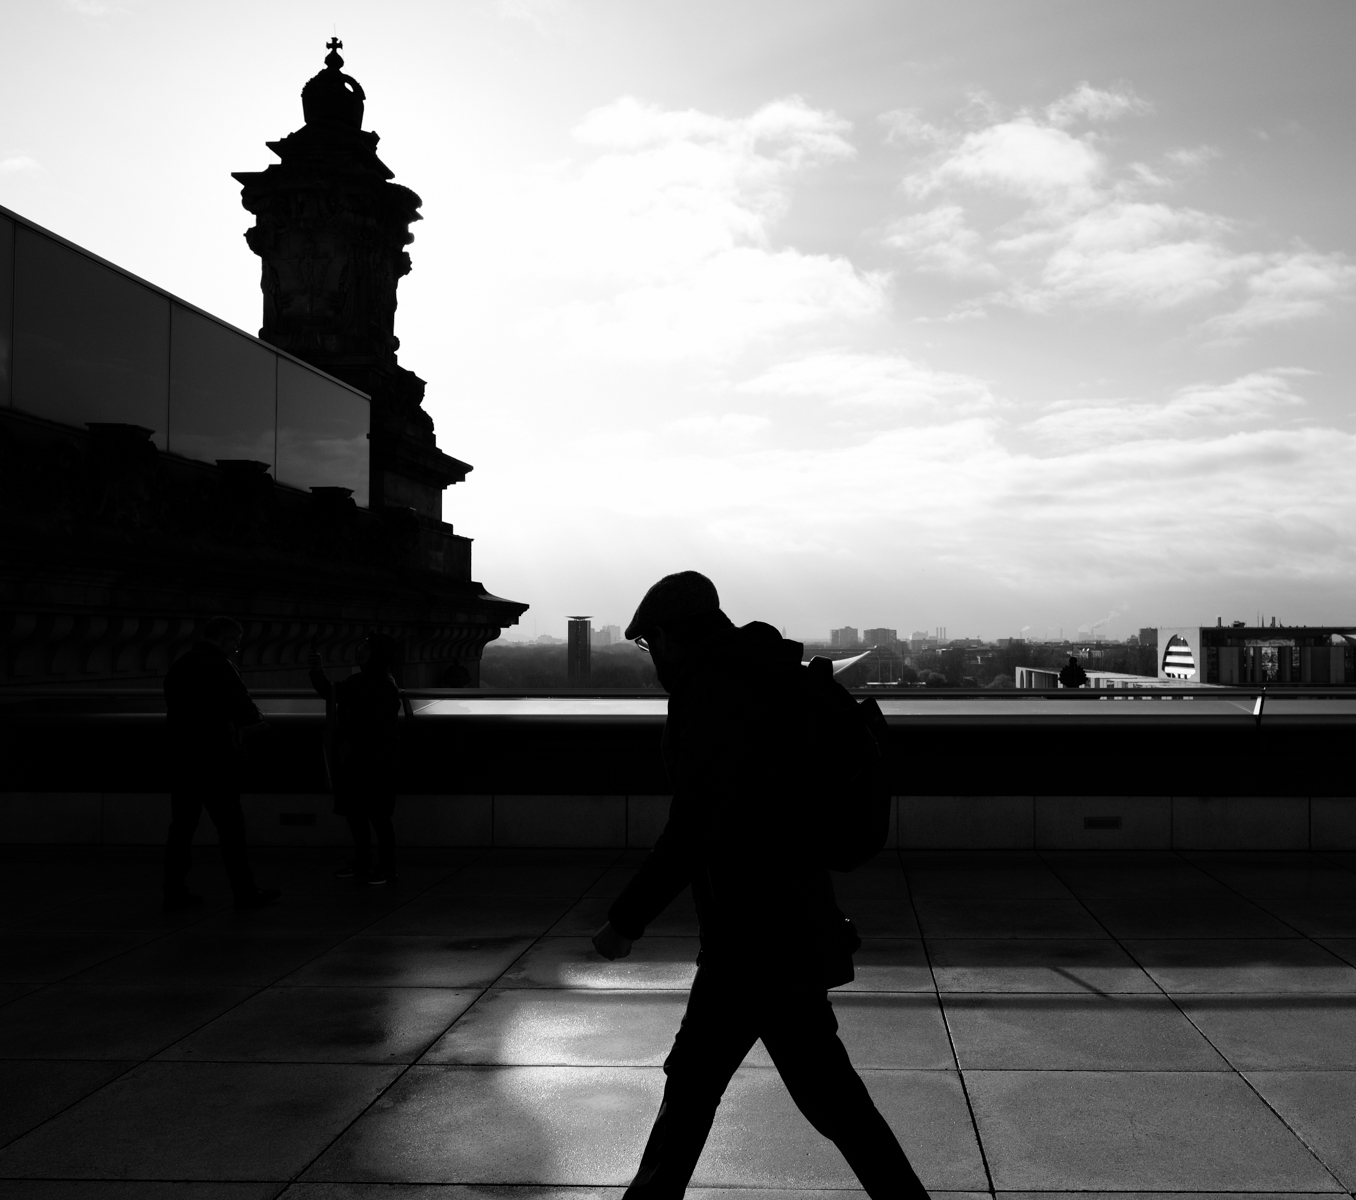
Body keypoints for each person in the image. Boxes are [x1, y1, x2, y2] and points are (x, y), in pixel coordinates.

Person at [592, 571, 929, 1200]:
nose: (653, 658)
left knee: (702, 1092)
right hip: (785, 923)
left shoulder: (715, 693)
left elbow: (693, 826)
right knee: (820, 1097)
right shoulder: (760, 674)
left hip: (752, 936)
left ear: (668, 635)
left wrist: (625, 920)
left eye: (650, 643)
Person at [163, 616, 280, 911]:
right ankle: (244, 890)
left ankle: (173, 891)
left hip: (183, 759)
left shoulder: (180, 666)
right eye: (236, 646)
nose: (235, 651)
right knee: (231, 829)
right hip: (217, 761)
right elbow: (248, 713)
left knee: (182, 828)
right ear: (227, 641)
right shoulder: (222, 668)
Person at [309, 633, 402, 884]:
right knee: (360, 813)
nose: (359, 650)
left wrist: (352, 743)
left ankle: (384, 866)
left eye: (365, 648)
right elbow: (332, 692)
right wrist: (317, 672)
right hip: (363, 759)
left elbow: (378, 725)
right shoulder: (366, 680)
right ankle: (368, 864)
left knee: (375, 814)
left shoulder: (380, 684)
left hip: (373, 760)